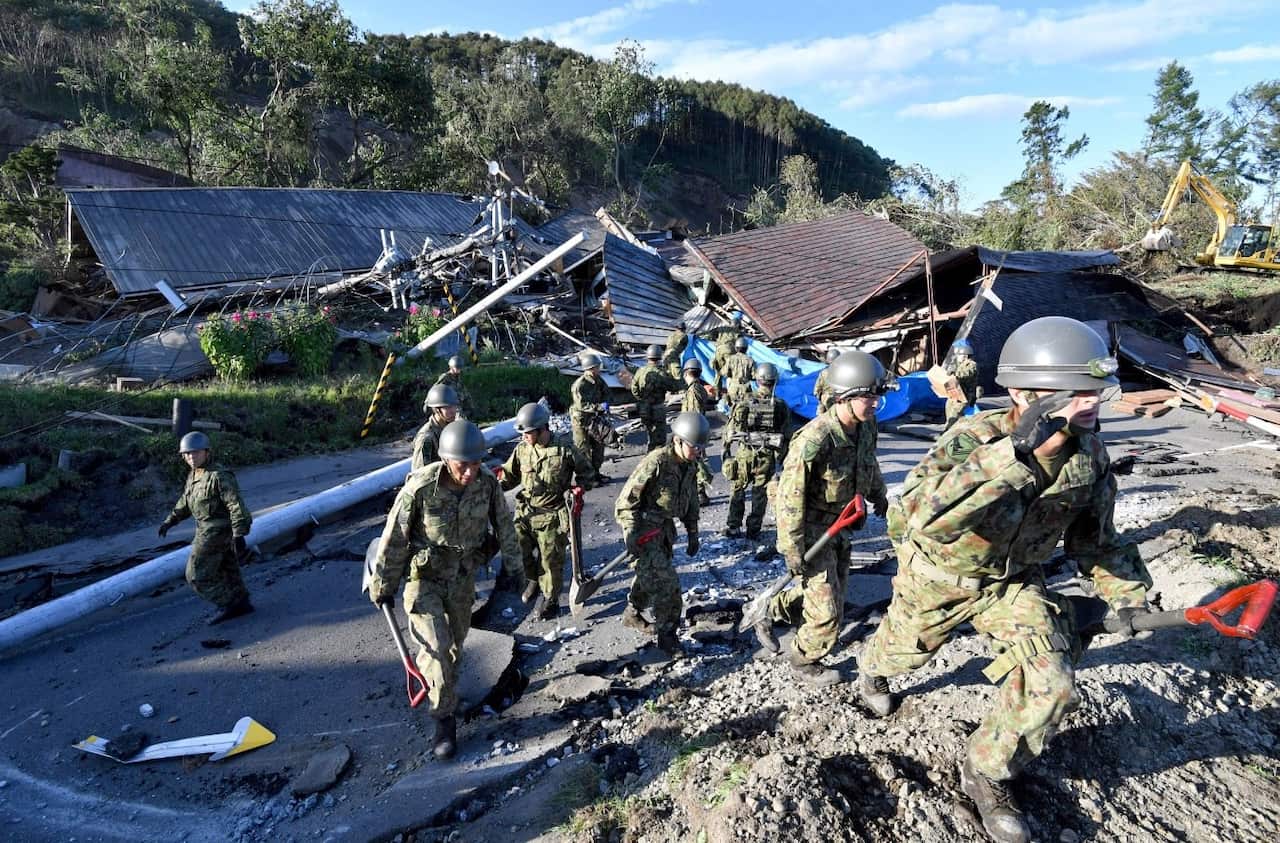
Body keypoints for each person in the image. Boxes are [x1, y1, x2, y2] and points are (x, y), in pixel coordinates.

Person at [857, 316, 1152, 843]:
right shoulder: (972, 439)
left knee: (1053, 684)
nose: (1090, 404)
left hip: (1013, 584)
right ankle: (871, 669)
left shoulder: (1089, 454)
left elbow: (1097, 540)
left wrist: (1126, 596)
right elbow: (925, 516)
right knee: (902, 655)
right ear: (1021, 392)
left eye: (1096, 393)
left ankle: (987, 770)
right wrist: (1013, 456)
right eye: (1076, 393)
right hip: (939, 578)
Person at [367, 420, 524, 760]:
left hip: (463, 579)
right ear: (447, 459)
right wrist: (383, 585)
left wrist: (514, 570)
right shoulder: (421, 488)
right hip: (424, 579)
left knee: (454, 644)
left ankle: (445, 690)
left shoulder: (487, 485)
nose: (468, 472)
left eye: (475, 463)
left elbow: (505, 527)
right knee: (436, 647)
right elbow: (394, 538)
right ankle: (444, 719)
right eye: (461, 465)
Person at [757, 351, 890, 686]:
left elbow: (868, 464)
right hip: (815, 529)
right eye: (870, 397)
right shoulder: (815, 439)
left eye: (878, 397)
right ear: (845, 396)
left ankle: (773, 610)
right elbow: (790, 498)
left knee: (834, 593)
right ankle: (801, 659)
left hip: (842, 524)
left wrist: (879, 496)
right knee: (828, 614)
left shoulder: (865, 426)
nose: (876, 404)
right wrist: (791, 548)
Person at [614, 411, 706, 657]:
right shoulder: (656, 462)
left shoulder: (689, 464)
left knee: (650, 577)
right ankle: (667, 638)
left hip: (663, 531)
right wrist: (631, 533)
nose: (699, 451)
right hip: (643, 532)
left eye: (701, 447)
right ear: (677, 440)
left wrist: (693, 532)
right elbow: (625, 502)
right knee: (668, 587)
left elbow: (691, 500)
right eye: (694, 446)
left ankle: (632, 613)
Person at [498, 402, 593, 620]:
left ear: (542, 429)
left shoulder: (565, 449)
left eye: (528, 433)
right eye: (522, 433)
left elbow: (587, 473)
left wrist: (579, 489)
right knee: (517, 551)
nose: (524, 437)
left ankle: (550, 599)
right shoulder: (522, 449)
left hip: (552, 515)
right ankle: (532, 580)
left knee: (550, 562)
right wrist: (491, 482)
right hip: (526, 512)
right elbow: (509, 476)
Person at [158, 431, 254, 625]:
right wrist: (170, 521)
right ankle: (241, 602)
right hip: (205, 529)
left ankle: (229, 603)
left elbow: (235, 504)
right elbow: (186, 501)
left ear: (207, 452)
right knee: (228, 568)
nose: (191, 457)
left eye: (196, 452)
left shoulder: (219, 476)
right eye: (187, 454)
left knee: (195, 575)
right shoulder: (194, 475)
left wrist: (239, 534)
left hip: (216, 531)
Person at [722, 362, 791, 540]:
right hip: (767, 454)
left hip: (745, 453)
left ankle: (733, 527)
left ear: (757, 380)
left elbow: (730, 432)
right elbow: (786, 434)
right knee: (760, 493)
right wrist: (782, 458)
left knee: (738, 489)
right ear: (774, 381)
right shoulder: (781, 405)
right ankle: (753, 530)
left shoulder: (743, 403)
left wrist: (726, 453)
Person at [631, 344, 682, 451]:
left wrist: (642, 399)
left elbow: (634, 389)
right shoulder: (662, 373)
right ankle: (656, 459)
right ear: (659, 357)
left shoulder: (640, 371)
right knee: (660, 438)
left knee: (650, 434)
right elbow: (673, 387)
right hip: (657, 409)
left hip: (644, 408)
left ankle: (650, 455)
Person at [571, 352, 611, 484]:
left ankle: (596, 473)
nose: (599, 369)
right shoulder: (580, 385)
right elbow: (582, 405)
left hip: (595, 419)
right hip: (581, 421)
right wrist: (599, 407)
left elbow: (607, 393)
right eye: (597, 367)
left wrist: (607, 403)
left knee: (599, 446)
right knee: (583, 450)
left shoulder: (599, 380)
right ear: (590, 368)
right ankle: (586, 478)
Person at [680, 357, 715, 506]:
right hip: (697, 430)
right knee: (696, 461)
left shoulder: (693, 391)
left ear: (686, 373)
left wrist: (690, 436)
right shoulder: (699, 388)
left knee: (695, 462)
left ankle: (700, 493)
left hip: (693, 432)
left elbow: (694, 414)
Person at [411, 384, 461, 471]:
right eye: (448, 407)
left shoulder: (453, 428)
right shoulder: (426, 438)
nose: (453, 411)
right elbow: (420, 474)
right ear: (437, 410)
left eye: (454, 406)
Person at [944, 338, 981, 430]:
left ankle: (949, 432)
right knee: (949, 406)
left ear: (965, 354)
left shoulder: (971, 365)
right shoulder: (959, 365)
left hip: (966, 395)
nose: (957, 356)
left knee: (955, 414)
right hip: (957, 393)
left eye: (959, 354)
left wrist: (954, 373)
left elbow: (964, 374)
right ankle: (950, 429)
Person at [707, 312, 744, 398]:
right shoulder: (738, 332)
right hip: (730, 351)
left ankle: (717, 395)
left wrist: (716, 340)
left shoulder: (722, 328)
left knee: (718, 373)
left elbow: (710, 334)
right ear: (738, 325)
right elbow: (741, 344)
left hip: (719, 351)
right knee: (731, 373)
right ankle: (731, 394)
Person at [720, 336, 756, 408]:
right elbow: (754, 376)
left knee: (733, 409)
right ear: (746, 349)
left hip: (733, 388)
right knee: (746, 409)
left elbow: (724, 373)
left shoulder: (730, 359)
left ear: (736, 348)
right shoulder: (750, 360)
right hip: (746, 389)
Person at [812, 346, 841, 413]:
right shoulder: (844, 372)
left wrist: (821, 399)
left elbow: (816, 391)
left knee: (820, 419)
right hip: (838, 402)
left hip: (825, 402)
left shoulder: (823, 373)